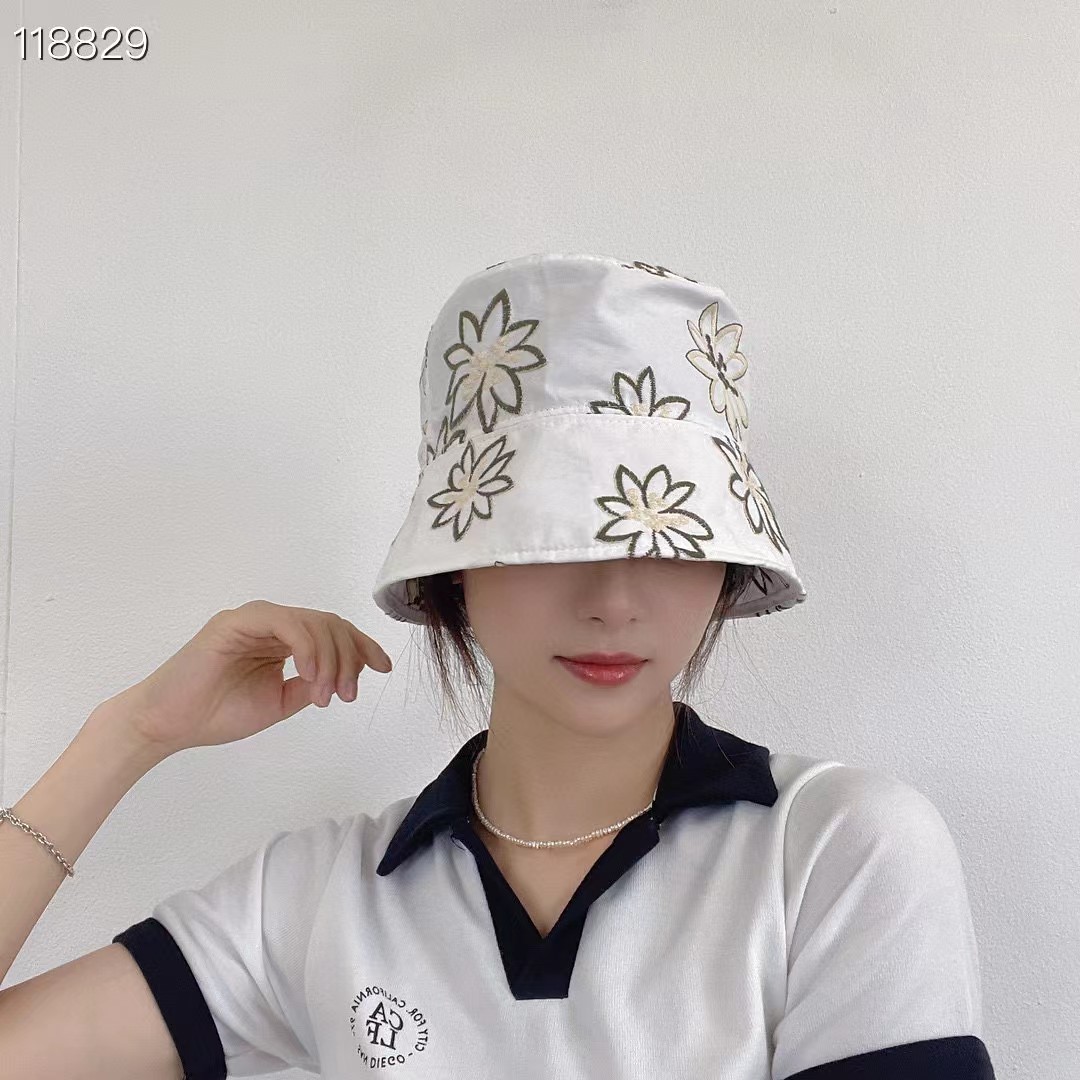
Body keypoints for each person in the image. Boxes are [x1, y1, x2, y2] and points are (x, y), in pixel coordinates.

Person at [0, 253, 996, 1079]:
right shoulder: (315, 899)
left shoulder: (830, 852)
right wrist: (128, 734)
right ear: (455, 567)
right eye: (550, 534)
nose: (613, 598)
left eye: (666, 533)